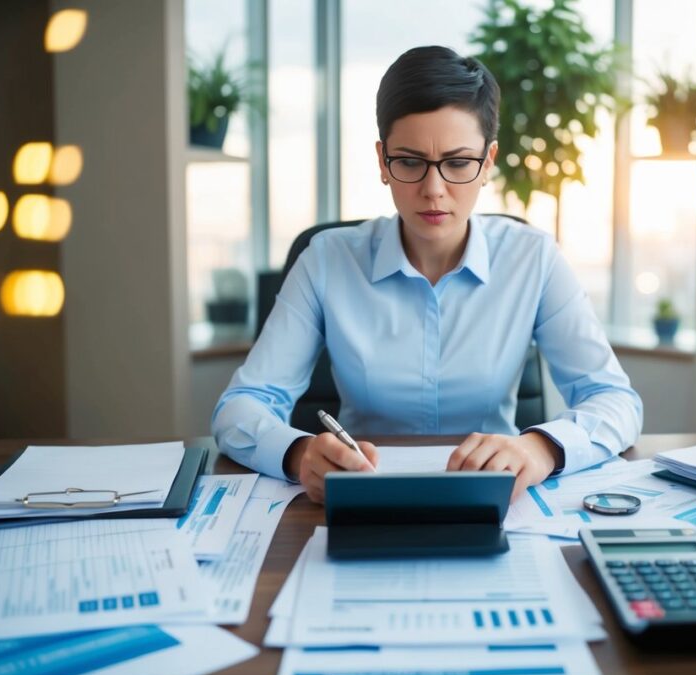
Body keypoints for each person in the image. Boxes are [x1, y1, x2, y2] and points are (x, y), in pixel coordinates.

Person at [212, 45, 643, 504]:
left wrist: (539, 449)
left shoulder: (532, 257)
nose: (433, 190)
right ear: (383, 162)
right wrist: (299, 454)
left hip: (498, 503)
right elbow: (239, 409)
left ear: (488, 162)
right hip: (363, 499)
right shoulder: (326, 260)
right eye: (411, 162)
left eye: (458, 163)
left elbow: (616, 401)